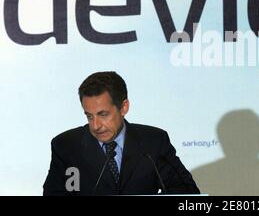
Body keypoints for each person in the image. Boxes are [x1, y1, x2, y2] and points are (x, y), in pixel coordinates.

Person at [43, 71, 200, 196]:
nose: (96, 126)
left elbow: (186, 193)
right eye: (89, 116)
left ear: (124, 107)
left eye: (103, 114)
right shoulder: (66, 146)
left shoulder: (153, 142)